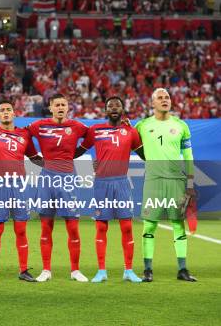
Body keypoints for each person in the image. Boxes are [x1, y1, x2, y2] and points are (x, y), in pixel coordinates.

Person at [74, 97, 145, 283]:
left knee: (127, 227)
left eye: (117, 105)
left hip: (122, 183)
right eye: (110, 106)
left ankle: (128, 271)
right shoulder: (95, 130)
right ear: (105, 111)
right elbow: (79, 151)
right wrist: (58, 157)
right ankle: (101, 271)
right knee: (101, 227)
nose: (114, 108)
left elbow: (146, 155)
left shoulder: (131, 131)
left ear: (123, 109)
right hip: (101, 184)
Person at [135, 88, 197, 282]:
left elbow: (188, 156)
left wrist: (190, 182)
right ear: (152, 103)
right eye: (160, 98)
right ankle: (147, 270)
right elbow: (132, 144)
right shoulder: (142, 126)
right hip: (153, 181)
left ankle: (182, 269)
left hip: (176, 182)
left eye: (167, 97)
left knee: (178, 224)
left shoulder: (181, 126)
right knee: (149, 225)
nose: (164, 100)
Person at [27, 93, 89, 282]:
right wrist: (33, 157)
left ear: (68, 107)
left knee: (73, 226)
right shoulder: (39, 125)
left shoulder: (77, 126)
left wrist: (75, 154)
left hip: (68, 178)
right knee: (46, 226)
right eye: (57, 105)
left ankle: (75, 270)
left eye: (64, 104)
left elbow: (93, 137)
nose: (61, 107)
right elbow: (22, 135)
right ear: (51, 107)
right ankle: (46, 270)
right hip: (47, 179)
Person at [0, 100, 42, 282]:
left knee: (21, 229)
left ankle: (23, 270)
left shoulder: (24, 135)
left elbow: (34, 157)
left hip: (19, 185)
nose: (6, 113)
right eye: (2, 111)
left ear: (14, 114)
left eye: (9, 110)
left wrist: (56, 164)